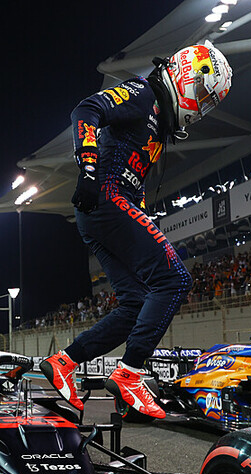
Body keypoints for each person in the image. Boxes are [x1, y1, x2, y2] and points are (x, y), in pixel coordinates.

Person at [40, 41, 232, 418]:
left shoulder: (159, 122)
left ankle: (64, 362)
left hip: (107, 207)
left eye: (208, 103)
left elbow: (135, 177)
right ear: (186, 75)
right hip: (106, 198)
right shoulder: (143, 93)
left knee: (136, 303)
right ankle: (129, 373)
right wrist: (88, 168)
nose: (200, 108)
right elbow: (86, 109)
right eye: (202, 95)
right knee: (174, 280)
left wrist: (139, 214)